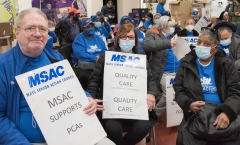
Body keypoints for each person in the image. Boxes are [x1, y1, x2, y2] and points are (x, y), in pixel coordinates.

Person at [0, 7, 112, 145]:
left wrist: (86, 97)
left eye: (42, 29)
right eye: (30, 28)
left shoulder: (55, 57)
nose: (37, 33)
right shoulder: (3, 66)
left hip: (72, 132)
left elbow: (72, 87)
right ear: (17, 32)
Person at [87, 23, 157, 145]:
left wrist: (151, 94)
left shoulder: (141, 58)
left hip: (136, 107)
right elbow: (94, 79)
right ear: (118, 39)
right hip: (112, 106)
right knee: (113, 128)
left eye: (130, 37)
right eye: (123, 37)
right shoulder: (107, 56)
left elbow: (151, 79)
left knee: (143, 128)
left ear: (135, 40)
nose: (127, 40)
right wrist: (91, 98)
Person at [173, 28, 240, 145]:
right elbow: (178, 89)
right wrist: (188, 104)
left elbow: (235, 93)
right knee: (182, 140)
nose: (201, 46)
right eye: (199, 42)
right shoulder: (186, 63)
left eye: (207, 44)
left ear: (215, 48)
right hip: (195, 116)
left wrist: (227, 112)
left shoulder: (227, 65)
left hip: (222, 114)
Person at [142, 16, 178, 120]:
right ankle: (154, 115)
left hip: (175, 70)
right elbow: (147, 45)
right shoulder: (152, 34)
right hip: (162, 72)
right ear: (163, 26)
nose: (172, 28)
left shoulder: (170, 36)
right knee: (168, 95)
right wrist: (167, 44)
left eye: (173, 26)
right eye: (170, 26)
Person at [71, 19, 107, 89]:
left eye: (92, 26)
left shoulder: (98, 38)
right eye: (88, 27)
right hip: (86, 65)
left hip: (100, 63)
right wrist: (95, 58)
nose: (90, 28)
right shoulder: (79, 39)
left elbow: (105, 51)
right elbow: (80, 54)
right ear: (83, 29)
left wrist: (102, 59)